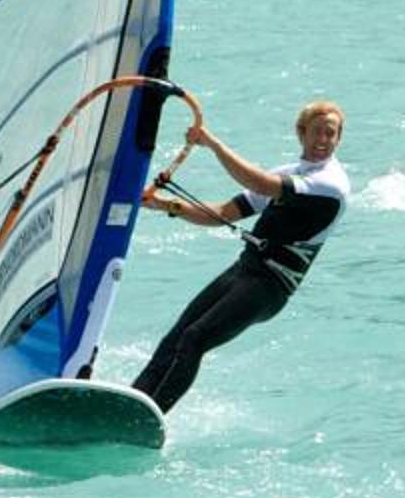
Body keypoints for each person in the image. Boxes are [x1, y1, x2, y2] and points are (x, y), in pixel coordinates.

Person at [130, 99, 349, 411]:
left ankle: (149, 416)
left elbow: (259, 182)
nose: (323, 139)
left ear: (338, 139)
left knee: (195, 338)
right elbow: (222, 213)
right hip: (245, 270)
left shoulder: (330, 184)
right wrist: (163, 204)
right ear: (302, 133)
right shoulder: (292, 173)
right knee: (175, 337)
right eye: (317, 131)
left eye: (331, 133)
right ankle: (131, 402)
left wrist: (213, 144)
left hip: (269, 287)